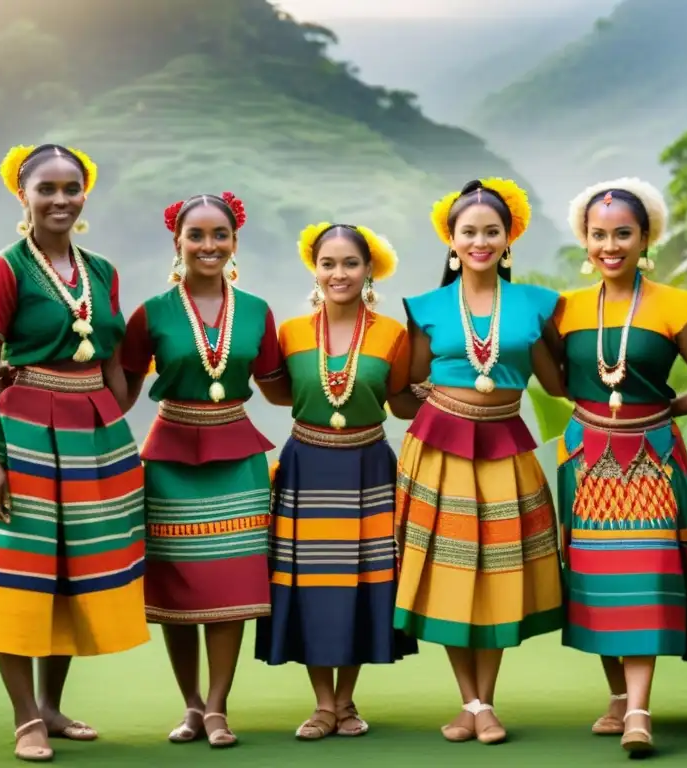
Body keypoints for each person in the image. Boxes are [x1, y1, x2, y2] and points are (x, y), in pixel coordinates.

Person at [0, 143, 149, 762]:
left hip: (94, 435)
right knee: (19, 569)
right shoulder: (3, 270)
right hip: (24, 435)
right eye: (47, 189)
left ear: (85, 194)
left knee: (71, 571)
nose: (60, 199)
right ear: (23, 194)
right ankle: (25, 718)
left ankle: (51, 705)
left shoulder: (102, 270)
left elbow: (113, 365)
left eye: (71, 188)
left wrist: (141, 376)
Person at [553, 179, 687, 754]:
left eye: (622, 233)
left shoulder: (677, 307)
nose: (610, 245)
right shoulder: (566, 310)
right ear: (585, 238)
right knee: (598, 581)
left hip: (651, 461)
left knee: (646, 580)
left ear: (645, 236)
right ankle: (616, 698)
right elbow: (554, 380)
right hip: (585, 461)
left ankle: (639, 712)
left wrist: (668, 409)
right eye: (598, 234)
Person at [393, 178, 565, 745]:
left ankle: (482, 703)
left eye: (492, 230)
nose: (480, 240)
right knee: (448, 572)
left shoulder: (537, 305)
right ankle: (470, 702)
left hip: (505, 449)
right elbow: (405, 385)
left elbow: (559, 379)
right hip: (437, 452)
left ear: (509, 236)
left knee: (497, 573)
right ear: (451, 238)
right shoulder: (426, 307)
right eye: (469, 231)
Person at [119, 193, 287, 748]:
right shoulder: (151, 313)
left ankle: (217, 707)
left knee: (229, 580)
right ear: (178, 243)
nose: (209, 245)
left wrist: (354, 385)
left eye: (220, 234)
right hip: (169, 457)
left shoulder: (259, 311)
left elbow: (278, 386)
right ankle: (190, 705)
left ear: (235, 241)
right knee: (177, 588)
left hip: (237, 454)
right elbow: (120, 392)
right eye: (197, 235)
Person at [254, 223, 420, 740]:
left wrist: (447, 392)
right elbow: (279, 394)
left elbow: (400, 401)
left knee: (364, 584)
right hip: (307, 466)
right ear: (315, 269)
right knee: (312, 585)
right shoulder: (291, 333)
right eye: (328, 264)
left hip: (369, 466)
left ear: (369, 269)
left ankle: (346, 701)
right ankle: (322, 705)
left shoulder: (394, 334)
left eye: (350, 263)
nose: (339, 273)